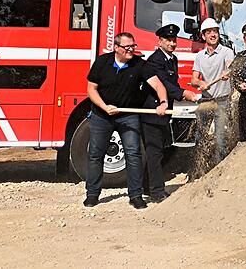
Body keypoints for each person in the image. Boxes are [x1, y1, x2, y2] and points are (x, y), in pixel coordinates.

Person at [84, 32, 154, 209]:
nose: (131, 49)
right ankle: (92, 194)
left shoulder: (138, 64)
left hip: (128, 115)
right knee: (95, 154)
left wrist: (162, 102)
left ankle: (136, 195)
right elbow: (91, 89)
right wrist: (104, 106)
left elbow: (156, 83)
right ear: (116, 48)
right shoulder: (102, 62)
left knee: (134, 154)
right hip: (102, 114)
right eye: (127, 47)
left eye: (133, 46)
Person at [140, 24, 199, 203]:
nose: (172, 43)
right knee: (155, 152)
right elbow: (164, 84)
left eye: (174, 40)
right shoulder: (155, 60)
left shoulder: (171, 59)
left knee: (162, 151)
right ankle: (157, 193)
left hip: (164, 114)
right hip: (152, 112)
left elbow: (171, 83)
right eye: (168, 40)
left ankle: (147, 186)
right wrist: (184, 94)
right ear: (160, 41)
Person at [190, 17, 235, 166]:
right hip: (205, 100)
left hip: (222, 101)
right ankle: (199, 168)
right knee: (200, 136)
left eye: (215, 31)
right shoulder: (199, 56)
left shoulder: (227, 52)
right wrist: (200, 83)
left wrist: (227, 72)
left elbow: (230, 67)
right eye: (209, 32)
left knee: (220, 137)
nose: (213, 35)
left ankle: (219, 171)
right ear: (203, 36)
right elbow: (193, 80)